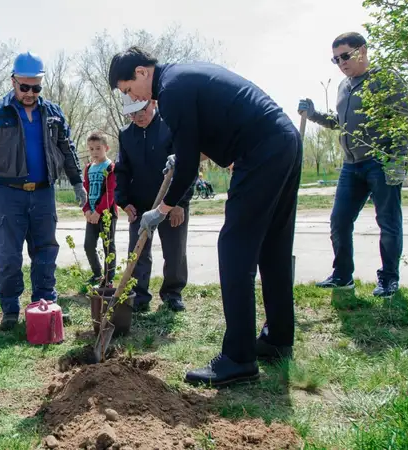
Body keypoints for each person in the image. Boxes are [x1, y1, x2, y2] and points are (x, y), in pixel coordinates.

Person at [109, 47, 302, 387]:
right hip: (282, 139)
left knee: (234, 248)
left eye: (127, 89)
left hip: (261, 150)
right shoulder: (182, 78)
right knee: (273, 245)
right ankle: (277, 338)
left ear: (141, 72)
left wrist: (161, 209)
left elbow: (186, 165)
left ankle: (239, 358)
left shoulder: (170, 89)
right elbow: (201, 138)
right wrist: (186, 157)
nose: (131, 97)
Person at [0, 51, 87, 331]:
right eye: (24, 87)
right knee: (8, 253)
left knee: (45, 250)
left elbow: (67, 149)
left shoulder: (53, 113)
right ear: (13, 81)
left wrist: (77, 181)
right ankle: (9, 310)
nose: (30, 93)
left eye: (36, 87)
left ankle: (44, 304)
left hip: (43, 193)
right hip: (8, 193)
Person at [298, 32, 408, 297]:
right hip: (351, 165)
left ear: (363, 51)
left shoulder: (386, 79)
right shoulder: (343, 87)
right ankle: (342, 275)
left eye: (345, 56)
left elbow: (402, 120)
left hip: (381, 163)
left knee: (388, 222)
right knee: (339, 220)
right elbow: (340, 123)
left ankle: (389, 279)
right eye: (335, 59)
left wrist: (397, 159)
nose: (341, 63)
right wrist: (313, 115)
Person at [115, 95, 191, 312]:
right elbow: (122, 169)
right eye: (132, 113)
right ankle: (139, 295)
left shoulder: (170, 127)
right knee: (137, 251)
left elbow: (187, 165)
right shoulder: (126, 135)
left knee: (175, 250)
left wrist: (179, 203)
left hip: (171, 201)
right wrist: (124, 201)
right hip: (139, 204)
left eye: (142, 111)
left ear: (154, 103)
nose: (137, 117)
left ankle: (172, 293)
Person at [82, 131, 117, 288]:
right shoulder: (88, 168)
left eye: (98, 148)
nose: (94, 152)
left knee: (108, 245)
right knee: (88, 245)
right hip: (92, 215)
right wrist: (87, 210)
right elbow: (85, 191)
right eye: (91, 149)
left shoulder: (110, 167)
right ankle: (97, 274)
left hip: (106, 214)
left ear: (106, 148)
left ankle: (108, 278)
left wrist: (99, 212)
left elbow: (111, 192)